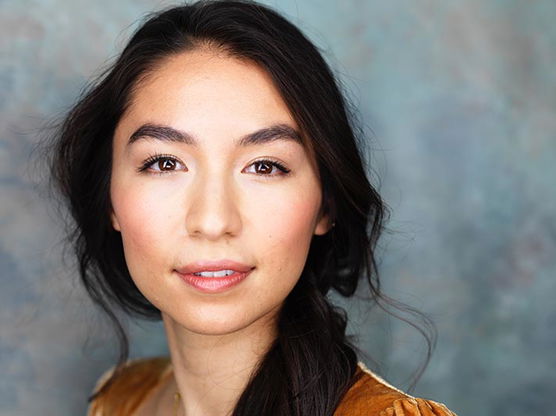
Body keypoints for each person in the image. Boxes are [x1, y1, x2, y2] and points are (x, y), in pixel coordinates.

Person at [48, 0, 458, 415]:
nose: (212, 221)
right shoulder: (120, 402)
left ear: (325, 206)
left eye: (264, 166)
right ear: (109, 197)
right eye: (165, 163)